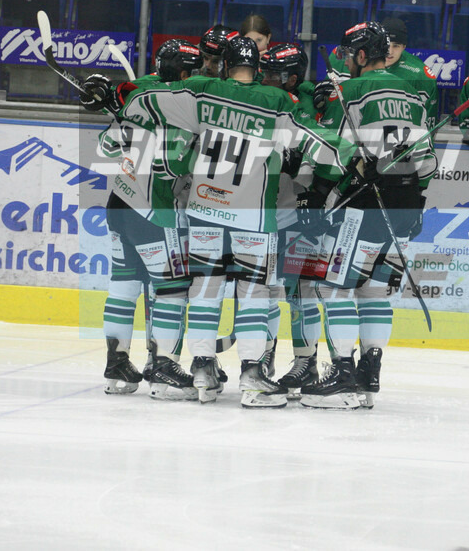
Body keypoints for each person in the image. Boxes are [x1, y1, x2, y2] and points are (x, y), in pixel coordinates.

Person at [126, 36, 353, 407]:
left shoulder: (203, 90)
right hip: (252, 217)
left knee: (204, 290)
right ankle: (252, 377)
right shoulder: (277, 101)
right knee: (253, 295)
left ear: (225, 65)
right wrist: (346, 158)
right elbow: (324, 145)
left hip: (203, 212)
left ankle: (202, 370)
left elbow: (149, 99)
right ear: (258, 69)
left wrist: (118, 97)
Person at [298, 21, 436, 409]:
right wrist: (413, 194)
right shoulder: (412, 92)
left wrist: (316, 194)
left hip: (364, 205)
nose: (344, 60)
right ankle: (368, 375)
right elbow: (427, 163)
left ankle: (342, 373)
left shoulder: (350, 91)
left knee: (336, 287)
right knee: (375, 292)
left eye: (347, 54)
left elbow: (330, 150)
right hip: (406, 206)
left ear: (361, 55)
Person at [81, 39, 202, 399]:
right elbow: (186, 165)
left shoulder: (137, 100)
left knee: (123, 287)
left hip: (119, 204)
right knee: (172, 289)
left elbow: (104, 149)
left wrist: (125, 124)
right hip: (154, 210)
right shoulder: (185, 108)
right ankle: (163, 366)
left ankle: (116, 365)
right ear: (183, 73)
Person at [259, 43, 324, 397]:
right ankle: (264, 356)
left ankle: (306, 361)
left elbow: (321, 156)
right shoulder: (259, 101)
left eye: (274, 73)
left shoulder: (306, 108)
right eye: (264, 71)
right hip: (262, 215)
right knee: (265, 292)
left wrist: (300, 167)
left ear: (293, 78)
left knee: (301, 291)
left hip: (296, 213)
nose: (266, 78)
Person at [380, 17, 440, 130]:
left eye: (396, 46)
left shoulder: (419, 76)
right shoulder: (362, 64)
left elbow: (427, 127)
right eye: (386, 45)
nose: (389, 51)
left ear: (404, 47)